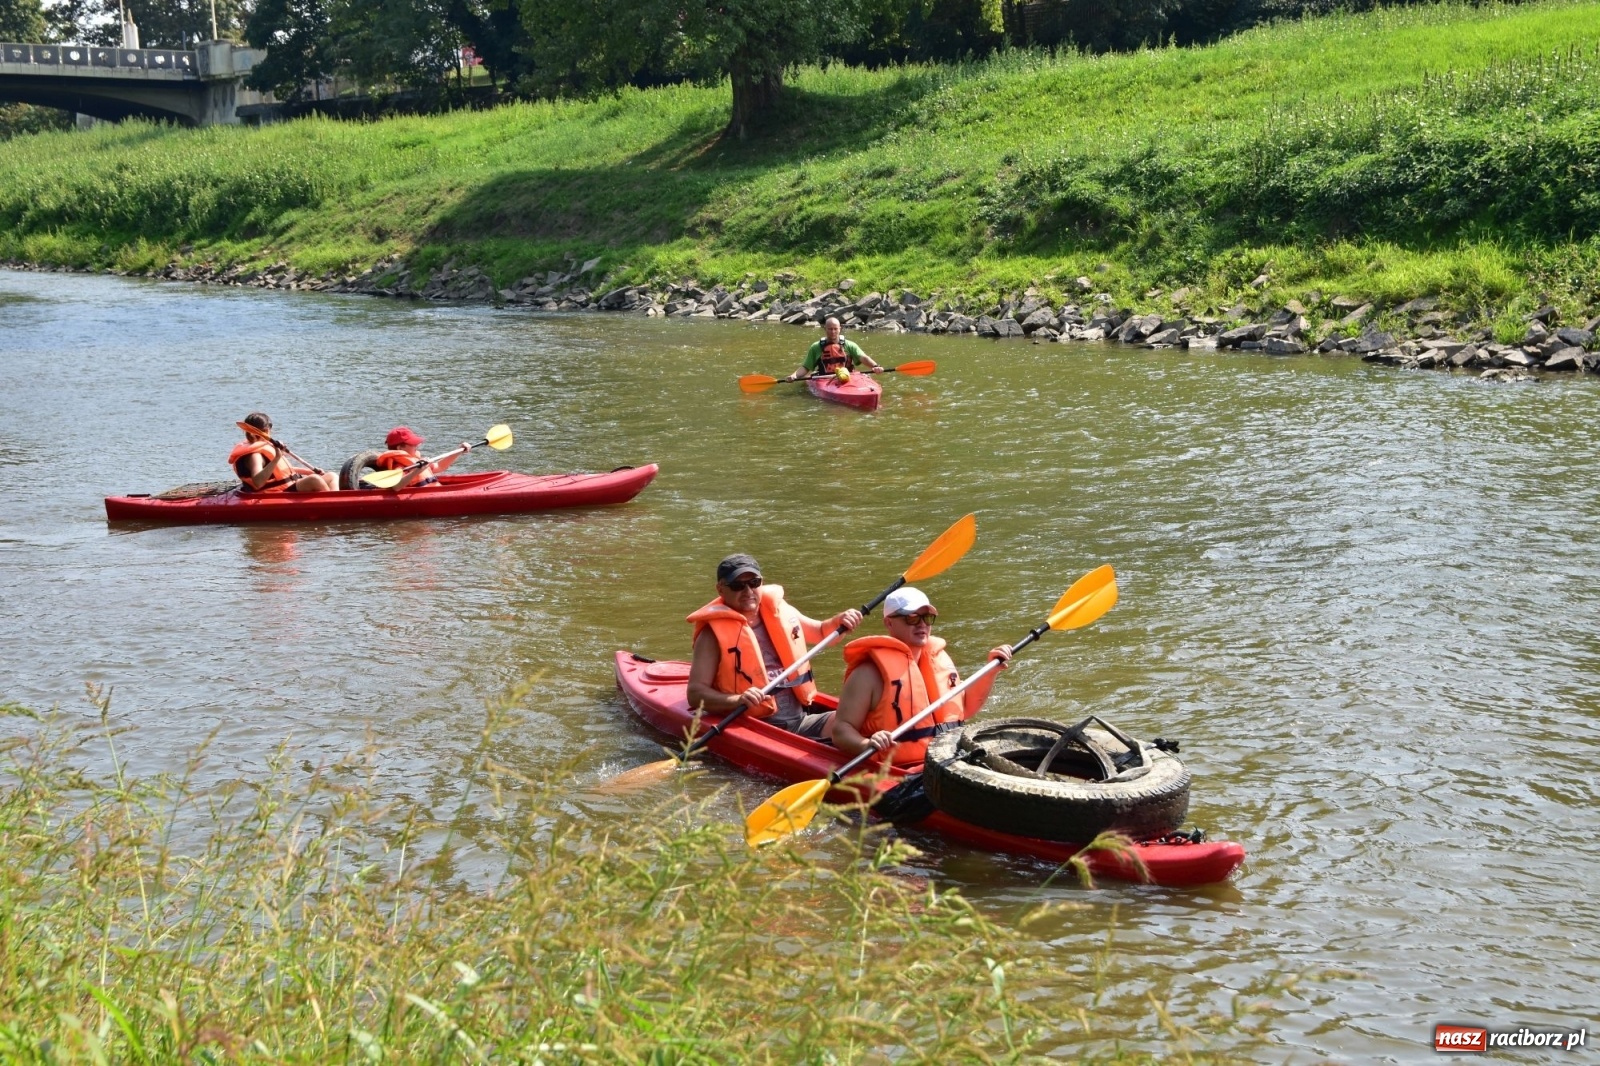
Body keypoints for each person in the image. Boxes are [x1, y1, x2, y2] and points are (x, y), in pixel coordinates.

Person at [686, 554, 863, 739]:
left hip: (802, 720)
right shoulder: (711, 635)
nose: (748, 591)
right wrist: (738, 700)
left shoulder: (779, 611)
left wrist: (839, 621)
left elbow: (820, 632)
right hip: (757, 728)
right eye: (738, 586)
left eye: (754, 582)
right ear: (720, 589)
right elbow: (695, 694)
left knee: (860, 722)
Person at [831, 587, 1012, 765]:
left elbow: (965, 709)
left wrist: (990, 671)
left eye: (927, 618)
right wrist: (866, 744)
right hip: (898, 769)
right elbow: (841, 730)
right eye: (912, 618)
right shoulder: (867, 674)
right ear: (889, 623)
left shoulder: (937, 660)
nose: (922, 624)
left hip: (949, 758)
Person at [230, 412, 337, 493]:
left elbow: (282, 471)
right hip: (276, 492)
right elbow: (258, 482)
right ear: (266, 430)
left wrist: (309, 472)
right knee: (314, 480)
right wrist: (277, 458)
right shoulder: (255, 455)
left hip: (288, 485)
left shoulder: (262, 447)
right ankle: (333, 505)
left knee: (332, 476)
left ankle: (337, 499)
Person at [783, 317, 883, 383]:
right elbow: (806, 367)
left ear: (840, 328)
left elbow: (863, 357)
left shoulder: (849, 345)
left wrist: (875, 366)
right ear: (825, 329)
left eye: (835, 328)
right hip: (824, 379)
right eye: (830, 329)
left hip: (847, 378)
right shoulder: (816, 347)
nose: (833, 331)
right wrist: (794, 376)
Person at [370, 426, 469, 488]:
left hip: (435, 491)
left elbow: (440, 466)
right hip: (429, 496)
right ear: (400, 447)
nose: (417, 445)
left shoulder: (416, 460)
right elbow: (397, 486)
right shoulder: (399, 465)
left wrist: (458, 451)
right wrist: (417, 470)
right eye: (412, 443)